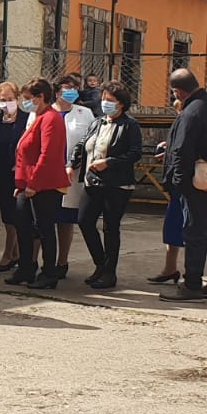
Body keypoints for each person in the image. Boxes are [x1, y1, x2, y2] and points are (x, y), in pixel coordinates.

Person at [159, 68, 207, 302]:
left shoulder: (190, 112)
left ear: (177, 91)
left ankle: (192, 283)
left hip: (193, 182)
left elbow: (183, 149)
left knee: (194, 232)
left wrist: (177, 183)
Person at [73, 81, 142, 290]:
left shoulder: (129, 125)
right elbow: (84, 143)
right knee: (84, 221)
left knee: (111, 228)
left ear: (121, 104)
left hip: (116, 184)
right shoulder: (97, 122)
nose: (105, 103)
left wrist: (109, 163)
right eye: (103, 99)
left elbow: (135, 153)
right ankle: (100, 264)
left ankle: (109, 272)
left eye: (110, 101)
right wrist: (72, 161)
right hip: (92, 181)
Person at [8, 77, 68, 290]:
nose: (25, 103)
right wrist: (22, 183)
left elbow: (48, 154)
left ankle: (49, 272)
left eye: (27, 98)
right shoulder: (38, 117)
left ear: (40, 97)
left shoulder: (51, 118)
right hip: (28, 182)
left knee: (44, 228)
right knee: (23, 224)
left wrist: (33, 183)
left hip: (44, 184)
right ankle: (26, 267)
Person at [50, 73, 97, 278]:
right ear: (57, 90)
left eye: (74, 87)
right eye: (66, 87)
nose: (70, 91)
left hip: (72, 174)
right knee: (44, 219)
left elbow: (90, 141)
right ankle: (43, 262)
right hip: (48, 173)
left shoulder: (85, 113)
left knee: (65, 219)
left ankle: (62, 262)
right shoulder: (45, 112)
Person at [0, 81, 27, 272]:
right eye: (3, 100)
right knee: (7, 215)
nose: (6, 103)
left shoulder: (27, 119)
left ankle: (9, 254)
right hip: (2, 174)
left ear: (17, 99)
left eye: (10, 99)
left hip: (20, 175)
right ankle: (15, 252)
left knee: (18, 215)